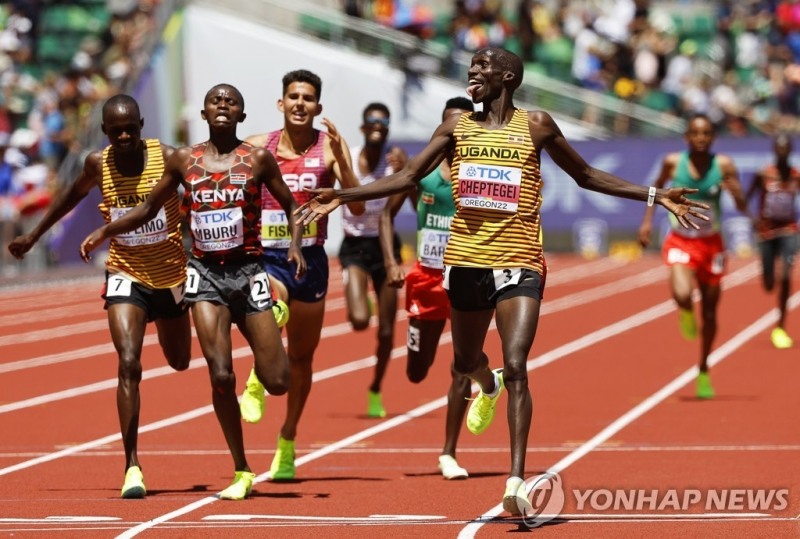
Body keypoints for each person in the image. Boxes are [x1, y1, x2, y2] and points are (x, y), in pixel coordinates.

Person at [293, 47, 709, 515]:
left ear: (507, 77)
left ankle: (516, 482)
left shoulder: (537, 125)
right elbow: (409, 174)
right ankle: (484, 385)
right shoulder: (456, 127)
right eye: (470, 65)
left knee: (517, 366)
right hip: (466, 261)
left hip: (520, 261)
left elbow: (586, 175)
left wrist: (656, 195)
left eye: (482, 66)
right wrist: (343, 195)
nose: (472, 71)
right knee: (466, 361)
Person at [79, 84, 302, 500]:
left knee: (279, 382)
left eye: (231, 101)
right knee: (220, 376)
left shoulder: (257, 158)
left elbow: (292, 205)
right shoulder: (185, 159)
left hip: (248, 271)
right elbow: (147, 207)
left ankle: (269, 337)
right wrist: (106, 231)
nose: (223, 105)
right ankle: (241, 469)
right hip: (204, 275)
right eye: (215, 100)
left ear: (241, 114)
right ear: (203, 114)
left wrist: (294, 245)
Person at [8, 94, 192, 499]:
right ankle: (132, 466)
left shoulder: (169, 157)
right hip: (125, 271)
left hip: (170, 275)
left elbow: (200, 194)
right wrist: (34, 236)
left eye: (130, 129)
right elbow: (70, 197)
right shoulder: (98, 163)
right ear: (106, 131)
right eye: (116, 131)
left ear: (141, 125)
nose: (124, 136)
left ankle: (165, 318)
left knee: (180, 361)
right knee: (128, 362)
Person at [237, 69, 365, 481]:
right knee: (273, 309)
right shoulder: (258, 146)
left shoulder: (329, 150)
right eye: (293, 96)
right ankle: (256, 379)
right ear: (281, 103)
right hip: (267, 258)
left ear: (318, 106)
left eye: (308, 98)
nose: (299, 104)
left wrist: (344, 162)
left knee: (302, 360)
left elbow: (358, 208)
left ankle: (288, 437)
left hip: (310, 261)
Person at [380, 96, 474, 479]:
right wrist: (391, 262)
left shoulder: (479, 172)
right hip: (427, 279)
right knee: (417, 372)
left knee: (463, 364)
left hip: (466, 277)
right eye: (449, 124)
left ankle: (449, 452)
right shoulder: (425, 170)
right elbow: (385, 215)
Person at [639, 113, 749, 399]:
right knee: (682, 293)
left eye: (706, 133)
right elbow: (655, 190)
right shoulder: (673, 162)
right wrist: (647, 222)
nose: (701, 138)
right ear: (686, 137)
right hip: (681, 240)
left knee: (710, 314)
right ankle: (685, 310)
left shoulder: (724, 165)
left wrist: (737, 194)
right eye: (695, 133)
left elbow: (742, 205)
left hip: (712, 245)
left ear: (713, 137)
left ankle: (703, 369)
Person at [340, 102, 407, 418]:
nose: (378, 126)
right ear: (363, 127)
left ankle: (376, 388)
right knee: (359, 321)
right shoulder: (349, 159)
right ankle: (363, 299)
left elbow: (408, 197)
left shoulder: (395, 162)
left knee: (386, 332)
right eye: (373, 121)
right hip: (354, 246)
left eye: (384, 123)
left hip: (385, 248)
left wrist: (406, 170)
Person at [746, 133, 800, 349]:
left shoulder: (796, 176)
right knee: (769, 284)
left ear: (790, 151)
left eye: (786, 148)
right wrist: (752, 219)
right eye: (779, 148)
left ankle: (780, 327)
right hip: (766, 232)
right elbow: (747, 197)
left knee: (786, 275)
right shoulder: (763, 174)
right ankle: (769, 277)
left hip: (788, 230)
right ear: (775, 150)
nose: (783, 152)